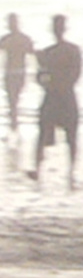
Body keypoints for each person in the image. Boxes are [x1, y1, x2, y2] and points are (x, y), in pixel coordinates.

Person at [29, 14, 82, 190]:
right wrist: (46, 81)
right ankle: (39, 169)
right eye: (56, 26)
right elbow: (40, 75)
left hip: (60, 95)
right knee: (45, 132)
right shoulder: (50, 52)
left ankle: (71, 171)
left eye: (58, 26)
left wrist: (50, 84)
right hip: (58, 95)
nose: (57, 30)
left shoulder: (63, 51)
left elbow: (75, 74)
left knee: (69, 136)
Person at [0, 14, 34, 171]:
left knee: (13, 101)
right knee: (12, 101)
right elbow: (34, 53)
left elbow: (33, 53)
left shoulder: (11, 39)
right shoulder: (18, 38)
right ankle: (14, 128)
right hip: (15, 73)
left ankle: (14, 128)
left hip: (16, 73)